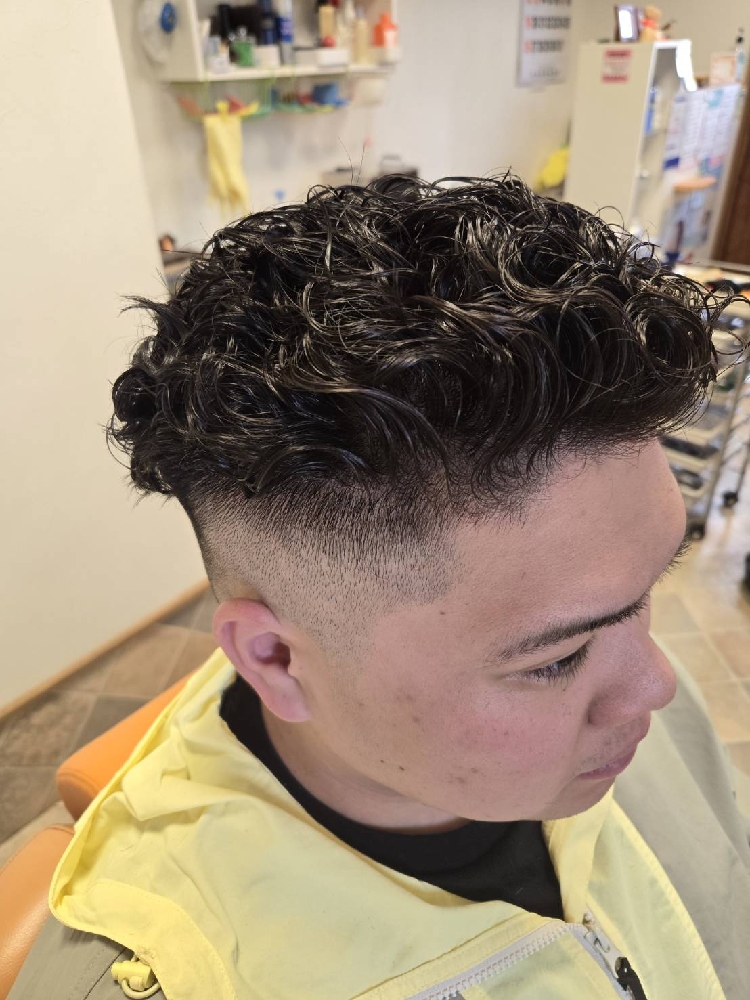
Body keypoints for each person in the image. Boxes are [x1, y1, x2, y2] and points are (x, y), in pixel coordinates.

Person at [11, 176, 750, 1000]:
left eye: (648, 591)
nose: (658, 686)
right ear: (275, 660)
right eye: (557, 659)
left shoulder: (628, 731)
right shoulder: (177, 975)